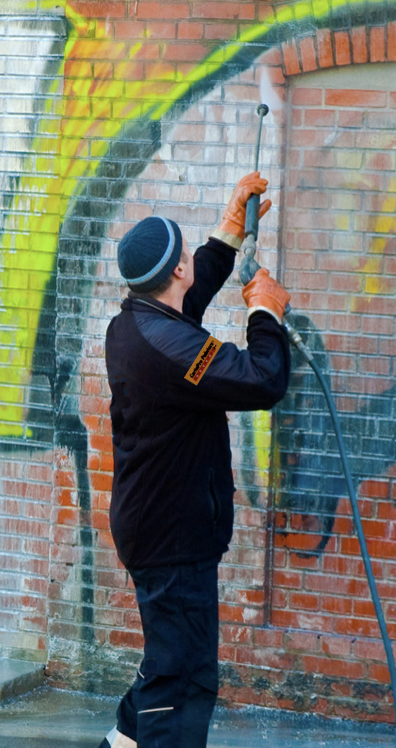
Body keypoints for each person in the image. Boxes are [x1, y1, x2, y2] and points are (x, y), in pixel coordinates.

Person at [99, 173, 291, 748]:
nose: (191, 262)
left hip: (159, 529)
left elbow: (195, 285)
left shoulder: (140, 319)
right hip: (172, 541)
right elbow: (262, 379)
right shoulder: (172, 349)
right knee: (181, 685)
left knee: (167, 666)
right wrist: (266, 315)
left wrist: (228, 233)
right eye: (187, 254)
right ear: (174, 271)